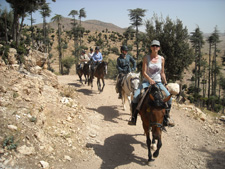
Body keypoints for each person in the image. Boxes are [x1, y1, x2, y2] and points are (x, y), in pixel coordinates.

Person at [128, 40, 174, 127]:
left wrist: (166, 83)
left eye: (157, 46)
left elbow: (162, 73)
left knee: (169, 98)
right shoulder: (146, 58)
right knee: (135, 96)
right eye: (153, 46)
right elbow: (144, 72)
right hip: (146, 82)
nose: (155, 47)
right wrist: (149, 80)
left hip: (158, 82)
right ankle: (133, 118)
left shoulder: (162, 59)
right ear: (151, 47)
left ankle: (166, 117)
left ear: (159, 48)